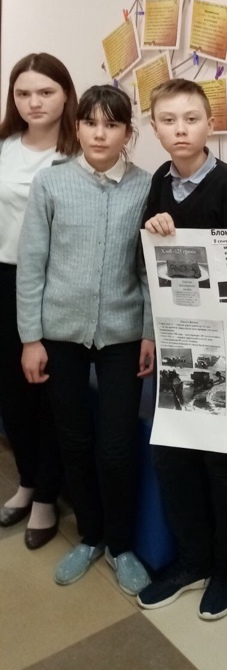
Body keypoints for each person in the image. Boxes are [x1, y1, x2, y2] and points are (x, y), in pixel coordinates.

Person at [17, 84, 154, 594]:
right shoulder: (52, 183)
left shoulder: (145, 187)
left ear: (127, 133)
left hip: (122, 333)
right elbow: (32, 264)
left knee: (116, 448)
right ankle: (89, 536)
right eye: (91, 122)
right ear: (76, 128)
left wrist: (149, 332)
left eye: (112, 124)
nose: (100, 133)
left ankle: (121, 545)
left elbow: (148, 270)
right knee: (73, 440)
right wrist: (31, 338)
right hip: (60, 334)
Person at [136, 78, 227, 620]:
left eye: (191, 119)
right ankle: (194, 559)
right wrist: (155, 231)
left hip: (224, 347)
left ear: (211, 124)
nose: (180, 130)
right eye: (168, 120)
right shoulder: (159, 182)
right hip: (174, 344)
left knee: (223, 465)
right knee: (172, 456)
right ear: (154, 128)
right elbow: (145, 263)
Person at [0, 53, 79, 550]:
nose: (34, 102)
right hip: (6, 279)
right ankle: (28, 482)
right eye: (23, 93)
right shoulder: (4, 147)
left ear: (66, 95)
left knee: (52, 393)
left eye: (45, 92)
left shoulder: (81, 152)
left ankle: (48, 496)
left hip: (59, 283)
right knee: (12, 393)